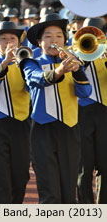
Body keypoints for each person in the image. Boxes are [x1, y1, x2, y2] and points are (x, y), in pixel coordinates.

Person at [21, 13, 92, 203]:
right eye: (48, 36)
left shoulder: (73, 63)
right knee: (49, 191)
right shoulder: (31, 62)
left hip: (69, 129)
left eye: (59, 36)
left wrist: (78, 71)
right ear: (39, 42)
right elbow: (36, 79)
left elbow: (85, 92)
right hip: (42, 130)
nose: (54, 40)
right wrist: (60, 70)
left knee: (69, 191)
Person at [0, 21, 31, 203]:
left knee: (20, 178)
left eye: (12, 38)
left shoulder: (27, 62)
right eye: (3, 39)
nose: (8, 42)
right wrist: (5, 63)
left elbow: (34, 86)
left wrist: (22, 64)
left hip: (22, 125)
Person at [77, 18, 107, 204]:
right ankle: (86, 207)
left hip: (104, 110)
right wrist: (85, 57)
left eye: (98, 31)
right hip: (82, 110)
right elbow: (75, 73)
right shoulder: (77, 48)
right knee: (84, 166)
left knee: (105, 163)